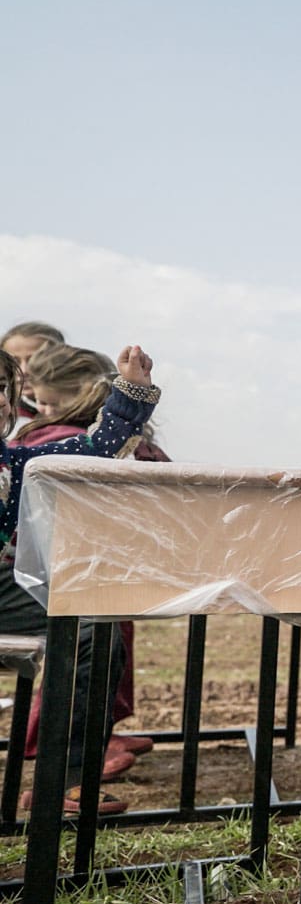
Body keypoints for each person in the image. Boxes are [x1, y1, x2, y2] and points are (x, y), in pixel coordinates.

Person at [0, 343, 160, 816]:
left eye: (2, 389)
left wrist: (131, 393)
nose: (0, 401)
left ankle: (66, 781)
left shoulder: (14, 463)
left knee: (93, 626)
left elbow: (94, 449)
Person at [1, 321, 64, 425]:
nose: (23, 370)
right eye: (13, 362)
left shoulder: (88, 412)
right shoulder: (7, 420)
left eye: (35, 360)